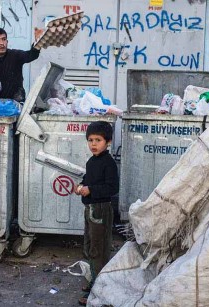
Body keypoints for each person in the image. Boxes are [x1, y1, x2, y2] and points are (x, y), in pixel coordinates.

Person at [75, 121, 119, 306]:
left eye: (98, 140)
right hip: (91, 209)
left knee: (98, 250)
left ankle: (98, 290)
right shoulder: (92, 161)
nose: (93, 144)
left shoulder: (108, 163)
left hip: (101, 210)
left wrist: (90, 190)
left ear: (108, 142)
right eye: (90, 140)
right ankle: (95, 279)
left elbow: (112, 187)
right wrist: (82, 186)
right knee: (90, 245)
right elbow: (89, 178)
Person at [0, 28, 41, 102]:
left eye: (4, 39)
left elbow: (31, 55)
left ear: (7, 41)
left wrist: (38, 42)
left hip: (17, 101)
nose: (2, 43)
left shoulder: (15, 55)